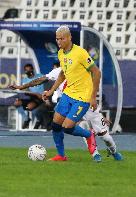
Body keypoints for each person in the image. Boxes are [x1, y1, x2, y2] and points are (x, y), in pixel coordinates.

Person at [42, 25, 101, 162]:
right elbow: (63, 74)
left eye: (61, 39)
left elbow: (96, 72)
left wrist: (93, 97)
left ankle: (88, 134)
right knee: (56, 125)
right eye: (57, 39)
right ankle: (61, 156)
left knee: (67, 127)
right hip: (68, 95)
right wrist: (51, 91)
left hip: (82, 97)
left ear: (69, 37)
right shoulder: (61, 53)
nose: (59, 42)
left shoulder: (80, 53)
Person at [10, 63, 45, 128]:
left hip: (40, 98)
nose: (28, 72)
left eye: (29, 70)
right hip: (31, 97)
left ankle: (39, 119)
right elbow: (23, 90)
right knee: (17, 103)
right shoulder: (24, 80)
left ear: (32, 69)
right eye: (26, 70)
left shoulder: (41, 77)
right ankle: (26, 119)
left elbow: (46, 87)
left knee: (29, 107)